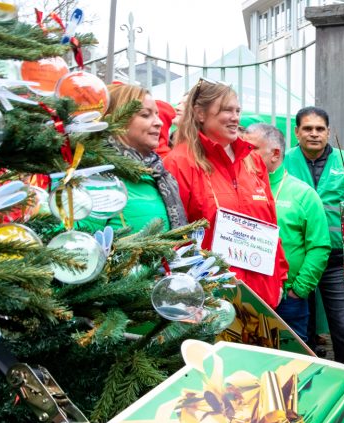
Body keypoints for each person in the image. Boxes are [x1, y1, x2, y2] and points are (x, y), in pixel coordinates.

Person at [163, 79, 288, 307]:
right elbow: (175, 235)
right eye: (226, 110)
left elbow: (270, 224)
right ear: (200, 113)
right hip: (211, 296)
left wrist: (279, 278)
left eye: (237, 110)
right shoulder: (180, 162)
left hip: (261, 293)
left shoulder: (254, 161)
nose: (235, 117)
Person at [282, 106, 344, 373]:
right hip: (297, 262)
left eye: (320, 129)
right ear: (297, 132)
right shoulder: (284, 162)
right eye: (307, 128)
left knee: (342, 329)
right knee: (299, 331)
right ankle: (305, 381)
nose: (314, 134)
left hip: (335, 262)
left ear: (328, 132)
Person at [243, 123, 331, 342]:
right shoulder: (238, 189)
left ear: (275, 153)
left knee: (290, 367)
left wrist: (298, 290)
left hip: (288, 300)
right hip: (246, 296)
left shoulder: (303, 194)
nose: (244, 154)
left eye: (251, 148)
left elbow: (319, 246)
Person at [98, 84, 187, 233]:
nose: (159, 122)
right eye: (146, 115)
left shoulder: (157, 174)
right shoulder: (96, 175)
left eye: (157, 114)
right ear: (116, 120)